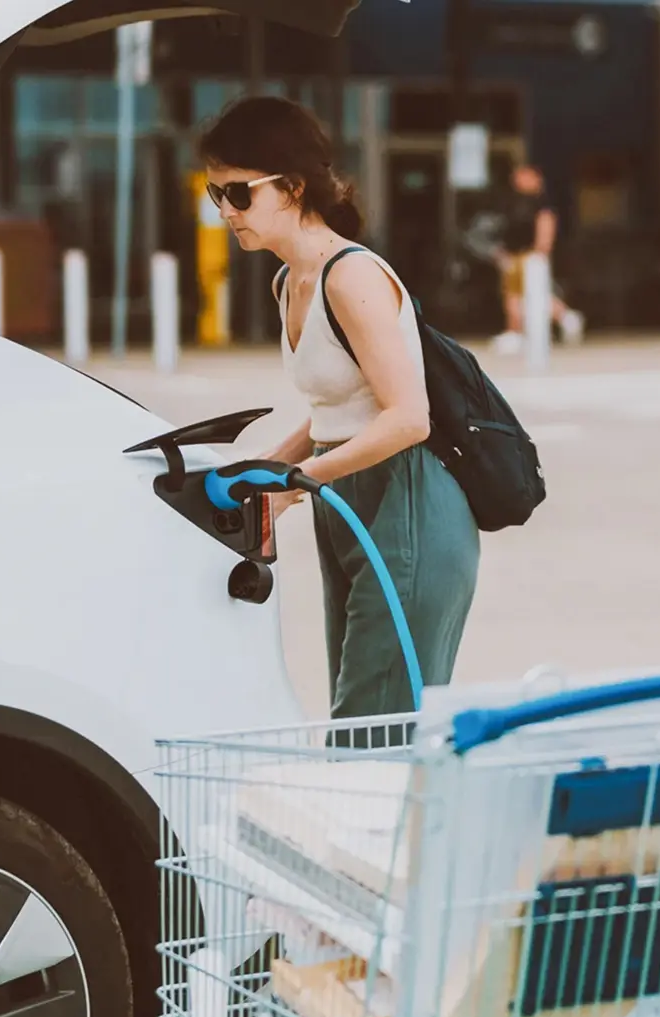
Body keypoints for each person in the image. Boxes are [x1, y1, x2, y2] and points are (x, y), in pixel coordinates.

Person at [197, 95, 480, 720]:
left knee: (372, 726)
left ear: (293, 187)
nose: (225, 212)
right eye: (215, 194)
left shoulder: (349, 277)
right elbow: (340, 407)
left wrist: (296, 481)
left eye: (239, 194)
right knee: (366, 720)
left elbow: (409, 417)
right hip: (348, 498)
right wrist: (265, 469)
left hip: (405, 500)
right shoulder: (288, 281)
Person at [491, 164, 584, 355]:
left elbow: (545, 228)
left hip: (530, 255)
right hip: (513, 255)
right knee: (513, 295)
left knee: (534, 296)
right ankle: (516, 332)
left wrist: (540, 252)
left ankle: (566, 317)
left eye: (524, 176)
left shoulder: (542, 204)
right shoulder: (515, 203)